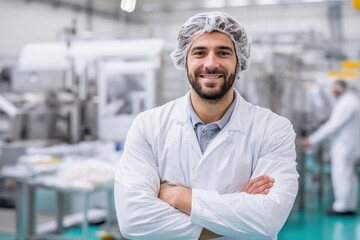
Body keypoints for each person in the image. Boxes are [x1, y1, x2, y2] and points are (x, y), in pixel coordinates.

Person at [114, 12, 299, 239]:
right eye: (200, 53)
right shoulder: (148, 125)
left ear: (239, 61)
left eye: (223, 53)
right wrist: (235, 217)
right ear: (184, 61)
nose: (211, 64)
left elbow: (267, 220)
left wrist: (177, 196)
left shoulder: (273, 128)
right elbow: (133, 220)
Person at [302, 79, 360, 216]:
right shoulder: (349, 101)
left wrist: (311, 140)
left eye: (333, 88)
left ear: (340, 88)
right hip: (349, 145)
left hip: (344, 146)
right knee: (348, 176)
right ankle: (348, 205)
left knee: (341, 175)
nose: (331, 91)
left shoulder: (348, 103)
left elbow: (332, 126)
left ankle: (342, 207)